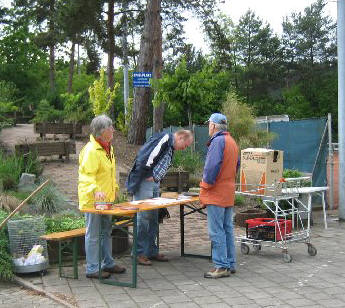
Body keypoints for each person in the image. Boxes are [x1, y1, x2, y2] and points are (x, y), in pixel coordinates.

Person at [126, 129, 194, 266]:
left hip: (154, 182)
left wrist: (156, 177)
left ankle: (151, 250)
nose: (184, 148)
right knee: (143, 218)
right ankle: (138, 253)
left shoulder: (170, 145)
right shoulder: (164, 139)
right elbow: (145, 157)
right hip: (145, 182)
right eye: (185, 145)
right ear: (180, 137)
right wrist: (147, 175)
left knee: (153, 218)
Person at [78, 114, 126, 279]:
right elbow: (86, 176)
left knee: (106, 231)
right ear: (102, 131)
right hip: (93, 201)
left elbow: (109, 174)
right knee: (93, 234)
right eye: (110, 127)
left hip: (106, 201)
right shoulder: (91, 150)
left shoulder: (107, 147)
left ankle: (108, 263)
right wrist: (94, 190)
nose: (113, 130)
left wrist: (115, 188)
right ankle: (92, 268)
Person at [200, 113, 239, 279]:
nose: (208, 126)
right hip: (228, 191)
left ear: (213, 126)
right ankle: (230, 263)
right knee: (227, 229)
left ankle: (221, 266)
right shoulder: (231, 141)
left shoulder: (217, 141)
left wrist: (205, 186)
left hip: (216, 192)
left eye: (209, 124)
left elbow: (211, 168)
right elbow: (236, 165)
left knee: (216, 231)